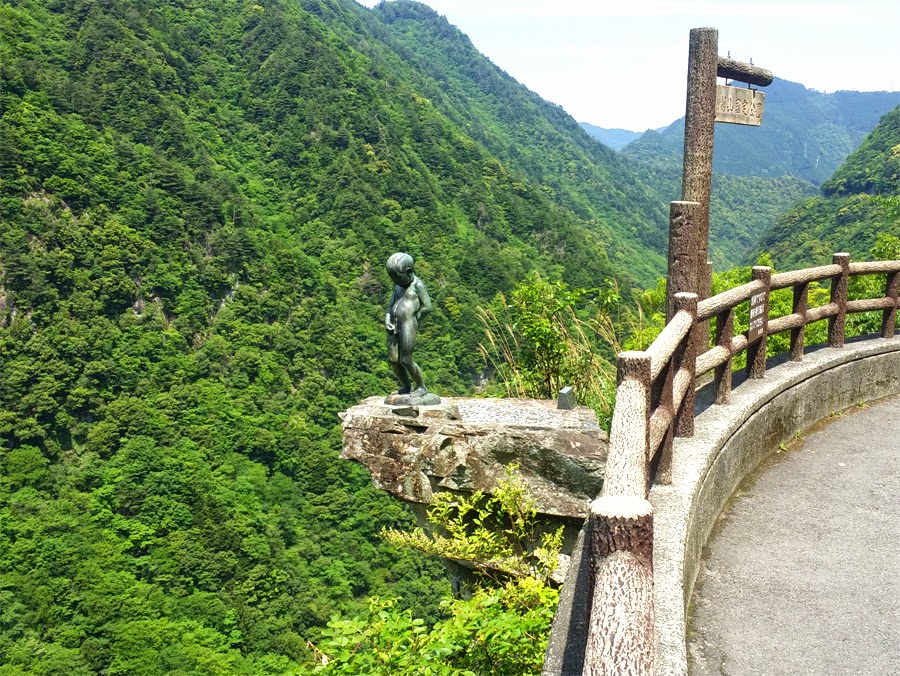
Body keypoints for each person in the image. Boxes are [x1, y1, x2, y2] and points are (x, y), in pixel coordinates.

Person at [385, 252, 432, 396]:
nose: (395, 280)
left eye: (398, 277)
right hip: (394, 324)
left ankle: (421, 387)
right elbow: (391, 305)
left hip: (408, 324)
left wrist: (415, 319)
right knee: (394, 359)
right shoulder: (398, 286)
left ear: (409, 272)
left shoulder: (417, 285)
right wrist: (387, 318)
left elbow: (428, 307)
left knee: (406, 359)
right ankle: (406, 385)